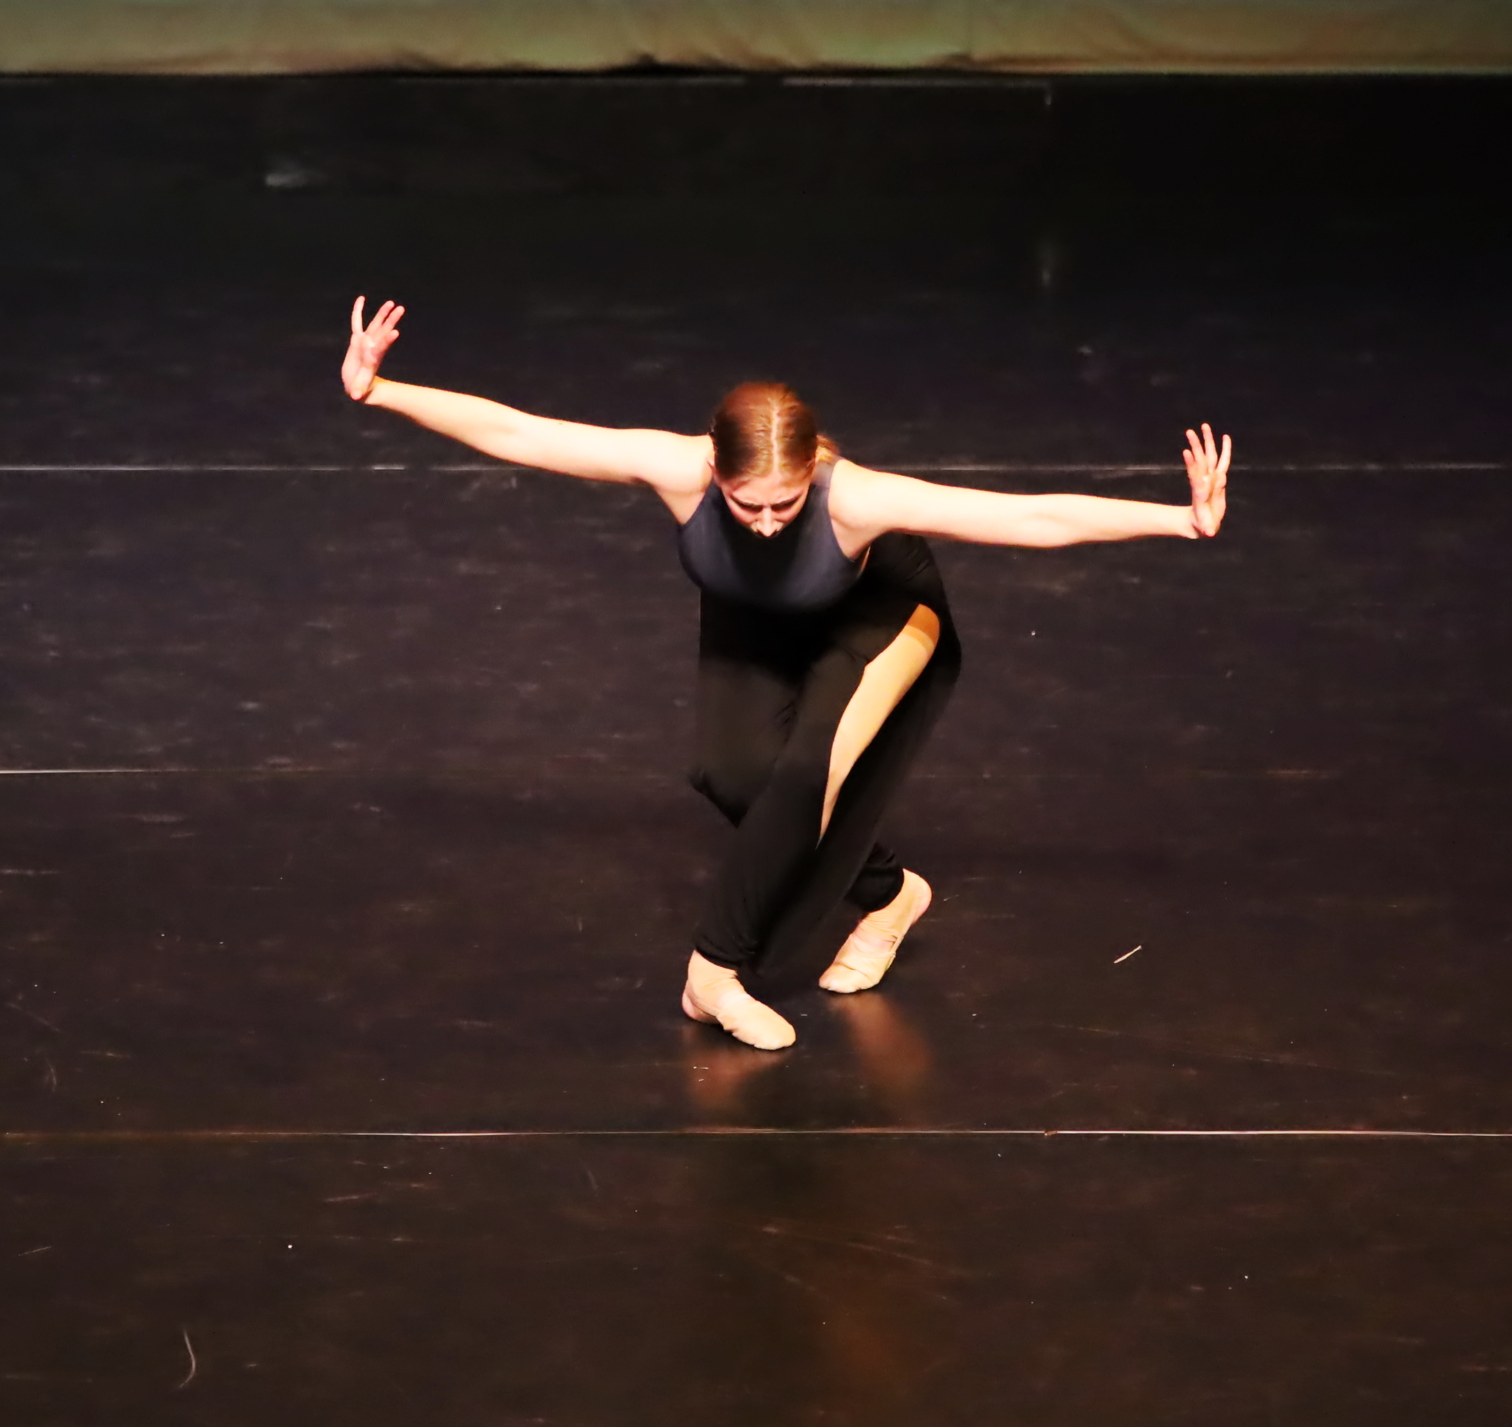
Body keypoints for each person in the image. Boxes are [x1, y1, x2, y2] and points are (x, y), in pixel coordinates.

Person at [341, 296, 1231, 1051]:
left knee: (807, 773)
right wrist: (379, 389)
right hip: (757, 614)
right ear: (714, 470)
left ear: (811, 473)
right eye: (746, 504)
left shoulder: (858, 499)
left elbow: (1029, 518)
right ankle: (891, 895)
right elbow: (521, 433)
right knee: (731, 777)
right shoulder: (675, 470)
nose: (767, 521)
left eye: (785, 502)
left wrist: (1178, 521)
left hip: (876, 615)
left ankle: (713, 973)